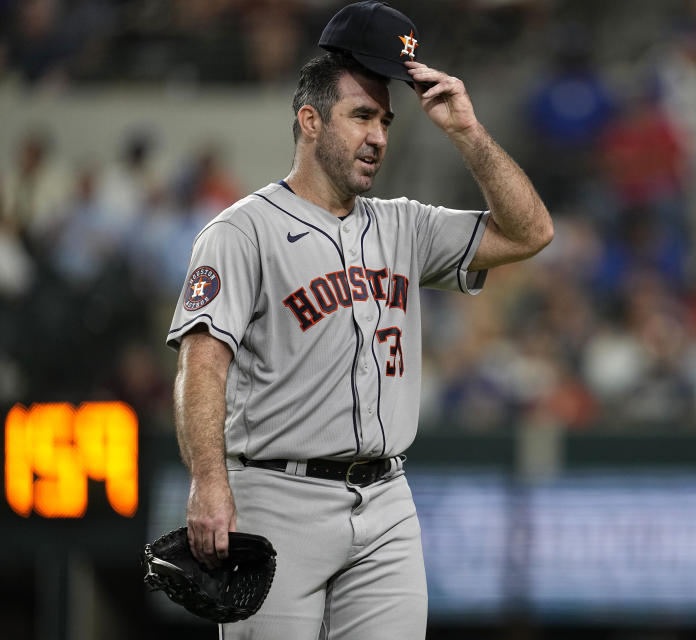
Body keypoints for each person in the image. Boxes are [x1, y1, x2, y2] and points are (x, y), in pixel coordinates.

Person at [165, 2, 552, 638]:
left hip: (387, 499)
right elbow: (201, 364)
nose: (378, 135)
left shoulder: (406, 225)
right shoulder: (242, 231)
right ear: (310, 121)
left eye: (386, 121)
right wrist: (209, 482)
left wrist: (467, 133)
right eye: (362, 116)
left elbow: (531, 231)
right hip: (275, 495)